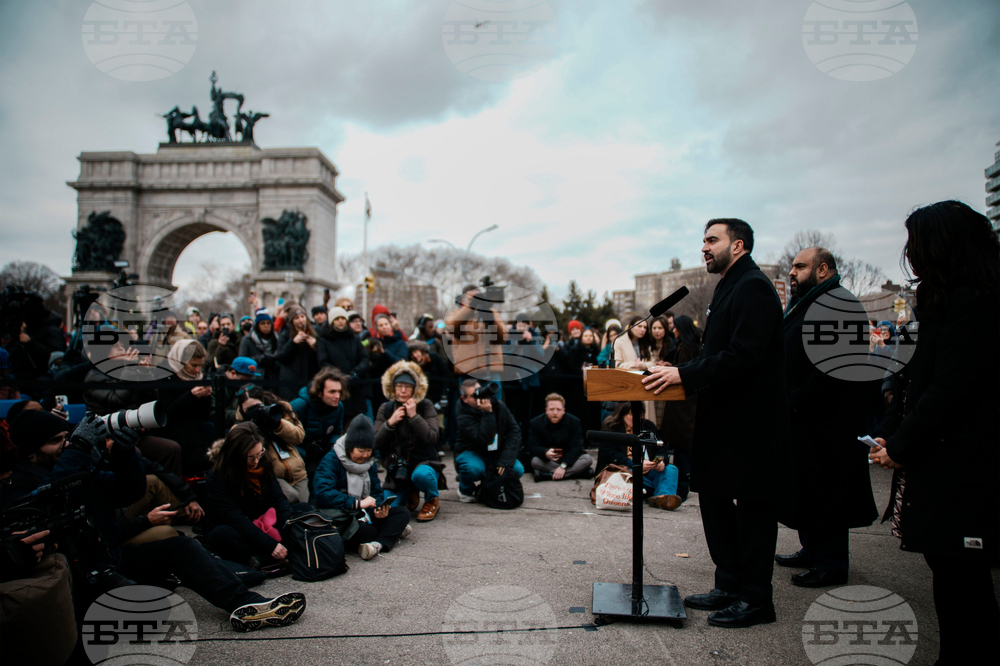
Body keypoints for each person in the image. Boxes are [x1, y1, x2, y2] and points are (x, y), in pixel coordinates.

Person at [6, 412, 307, 632]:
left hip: (109, 558)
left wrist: (125, 455)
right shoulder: (21, 486)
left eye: (66, 439)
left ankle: (248, 604)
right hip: (76, 575)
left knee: (181, 546)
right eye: (56, 442)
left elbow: (128, 492)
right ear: (31, 452)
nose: (65, 445)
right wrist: (79, 450)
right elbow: (52, 501)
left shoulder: (76, 465)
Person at [869, 201, 999, 663]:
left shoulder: (976, 304)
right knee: (949, 571)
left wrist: (903, 446)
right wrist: (895, 432)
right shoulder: (946, 300)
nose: (910, 251)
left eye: (916, 240)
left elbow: (950, 390)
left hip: (965, 465)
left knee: (963, 577)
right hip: (943, 456)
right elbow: (914, 382)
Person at [643, 218, 788, 628]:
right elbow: (717, 353)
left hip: (750, 423)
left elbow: (745, 355)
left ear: (738, 245)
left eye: (712, 240)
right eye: (703, 240)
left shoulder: (754, 287)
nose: (703, 247)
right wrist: (676, 370)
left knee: (754, 509)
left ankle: (757, 598)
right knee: (715, 499)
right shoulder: (727, 285)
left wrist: (685, 375)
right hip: (722, 418)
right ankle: (728, 584)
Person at [776, 247, 877, 587]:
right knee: (807, 488)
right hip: (805, 416)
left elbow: (835, 369)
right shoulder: (809, 302)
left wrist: (797, 400)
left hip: (828, 419)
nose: (792, 272)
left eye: (799, 266)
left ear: (822, 270)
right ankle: (812, 549)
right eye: (792, 266)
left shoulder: (839, 304)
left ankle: (831, 564)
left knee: (829, 491)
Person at [202, 422, 309, 568]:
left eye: (259, 454)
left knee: (303, 510)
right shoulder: (219, 476)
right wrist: (270, 544)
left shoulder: (263, 462)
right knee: (224, 535)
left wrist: (287, 527)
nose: (256, 461)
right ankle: (277, 553)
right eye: (250, 457)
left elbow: (278, 498)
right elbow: (235, 518)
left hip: (265, 521)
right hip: (239, 527)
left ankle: (271, 555)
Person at [314, 416, 411, 560]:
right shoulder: (331, 460)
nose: (365, 455)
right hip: (343, 515)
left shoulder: (369, 463)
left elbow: (376, 491)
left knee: (402, 513)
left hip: (364, 513)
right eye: (360, 451)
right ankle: (390, 534)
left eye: (368, 451)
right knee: (368, 532)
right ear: (349, 448)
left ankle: (377, 545)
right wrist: (356, 504)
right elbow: (323, 493)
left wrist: (378, 510)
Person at [374, 361, 445, 521]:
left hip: (423, 462)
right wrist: (389, 423)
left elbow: (432, 437)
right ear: (392, 387)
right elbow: (376, 443)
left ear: (415, 388)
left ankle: (432, 499)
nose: (403, 391)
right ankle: (410, 492)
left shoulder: (425, 406)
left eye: (407, 386)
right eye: (399, 386)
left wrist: (414, 417)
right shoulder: (386, 409)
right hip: (397, 469)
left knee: (422, 475)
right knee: (388, 509)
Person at [598, 401, 680, 509]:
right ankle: (656, 491)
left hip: (649, 469)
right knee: (628, 475)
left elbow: (661, 447)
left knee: (671, 469)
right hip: (626, 469)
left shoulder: (648, 426)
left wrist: (661, 461)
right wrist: (634, 464)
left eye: (639, 414)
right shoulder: (612, 428)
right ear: (622, 415)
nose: (636, 418)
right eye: (631, 415)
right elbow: (609, 453)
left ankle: (662, 497)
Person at [236, 384, 309, 504]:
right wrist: (250, 423)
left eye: (257, 406)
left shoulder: (279, 409)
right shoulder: (240, 424)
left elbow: (299, 436)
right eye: (249, 409)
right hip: (271, 475)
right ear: (242, 409)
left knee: (303, 505)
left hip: (296, 472)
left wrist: (278, 424)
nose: (255, 411)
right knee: (291, 498)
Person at [454, 379, 523, 502]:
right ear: (464, 399)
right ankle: (465, 490)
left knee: (517, 469)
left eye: (479, 391)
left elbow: (515, 432)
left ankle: (486, 486)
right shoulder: (463, 415)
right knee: (473, 469)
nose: (479, 397)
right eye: (473, 395)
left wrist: (505, 460)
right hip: (472, 453)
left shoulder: (499, 406)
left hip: (495, 453)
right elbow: (484, 439)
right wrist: (488, 413)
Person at [658, 315, 701, 502]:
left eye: (674, 328)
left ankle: (680, 489)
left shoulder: (685, 347)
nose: (672, 331)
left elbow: (683, 371)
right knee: (682, 449)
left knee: (681, 449)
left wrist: (672, 369)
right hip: (686, 405)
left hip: (682, 407)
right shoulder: (692, 346)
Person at [159, 340, 215, 474]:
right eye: (193, 365)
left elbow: (204, 415)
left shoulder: (199, 376)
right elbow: (166, 413)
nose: (197, 370)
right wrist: (191, 395)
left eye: (200, 366)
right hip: (173, 428)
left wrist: (206, 396)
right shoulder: (164, 375)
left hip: (195, 427)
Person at [291, 366, 347, 480]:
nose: (337, 396)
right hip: (299, 455)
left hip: (322, 453)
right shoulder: (299, 406)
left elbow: (336, 431)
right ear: (319, 393)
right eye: (332, 392)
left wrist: (332, 448)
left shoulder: (338, 407)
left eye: (339, 391)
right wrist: (305, 454)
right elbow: (286, 438)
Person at [316, 307, 370, 423]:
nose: (340, 321)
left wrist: (355, 372)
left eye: (343, 318)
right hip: (335, 389)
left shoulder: (354, 339)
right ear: (331, 322)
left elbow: (365, 358)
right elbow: (323, 362)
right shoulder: (324, 340)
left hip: (354, 388)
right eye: (337, 319)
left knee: (354, 424)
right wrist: (339, 376)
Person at [526, 393, 594, 481]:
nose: (555, 413)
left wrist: (563, 466)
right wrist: (545, 453)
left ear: (564, 411)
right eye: (551, 409)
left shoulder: (574, 422)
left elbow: (577, 446)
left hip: (569, 459)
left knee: (587, 459)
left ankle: (548, 475)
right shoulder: (536, 423)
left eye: (558, 409)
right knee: (535, 461)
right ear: (546, 410)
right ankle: (579, 473)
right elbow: (532, 446)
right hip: (548, 460)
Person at [274, 305, 319, 401]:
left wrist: (316, 346)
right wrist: (293, 342)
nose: (301, 320)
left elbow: (321, 357)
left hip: (310, 380)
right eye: (296, 318)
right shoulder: (285, 334)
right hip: (290, 383)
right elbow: (280, 357)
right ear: (292, 321)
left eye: (302, 317)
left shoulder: (314, 333)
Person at [239, 311, 279, 381]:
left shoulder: (276, 338)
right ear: (257, 325)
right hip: (255, 378)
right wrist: (261, 359)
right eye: (262, 323)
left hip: (274, 377)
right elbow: (242, 361)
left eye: (268, 323)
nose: (266, 326)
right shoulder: (247, 340)